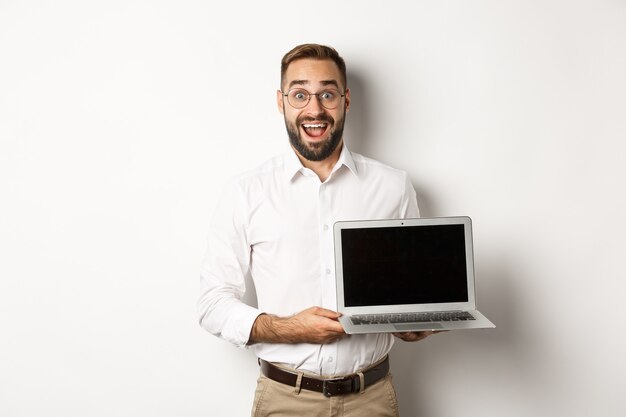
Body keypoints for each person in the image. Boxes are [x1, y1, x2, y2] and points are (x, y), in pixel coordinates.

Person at [198, 43, 440, 417]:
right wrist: (288, 328)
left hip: (371, 399)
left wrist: (412, 323)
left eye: (327, 94)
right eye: (300, 95)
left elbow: (404, 294)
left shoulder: (393, 187)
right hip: (284, 400)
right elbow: (213, 304)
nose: (314, 109)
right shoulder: (246, 192)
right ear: (281, 102)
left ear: (345, 100)